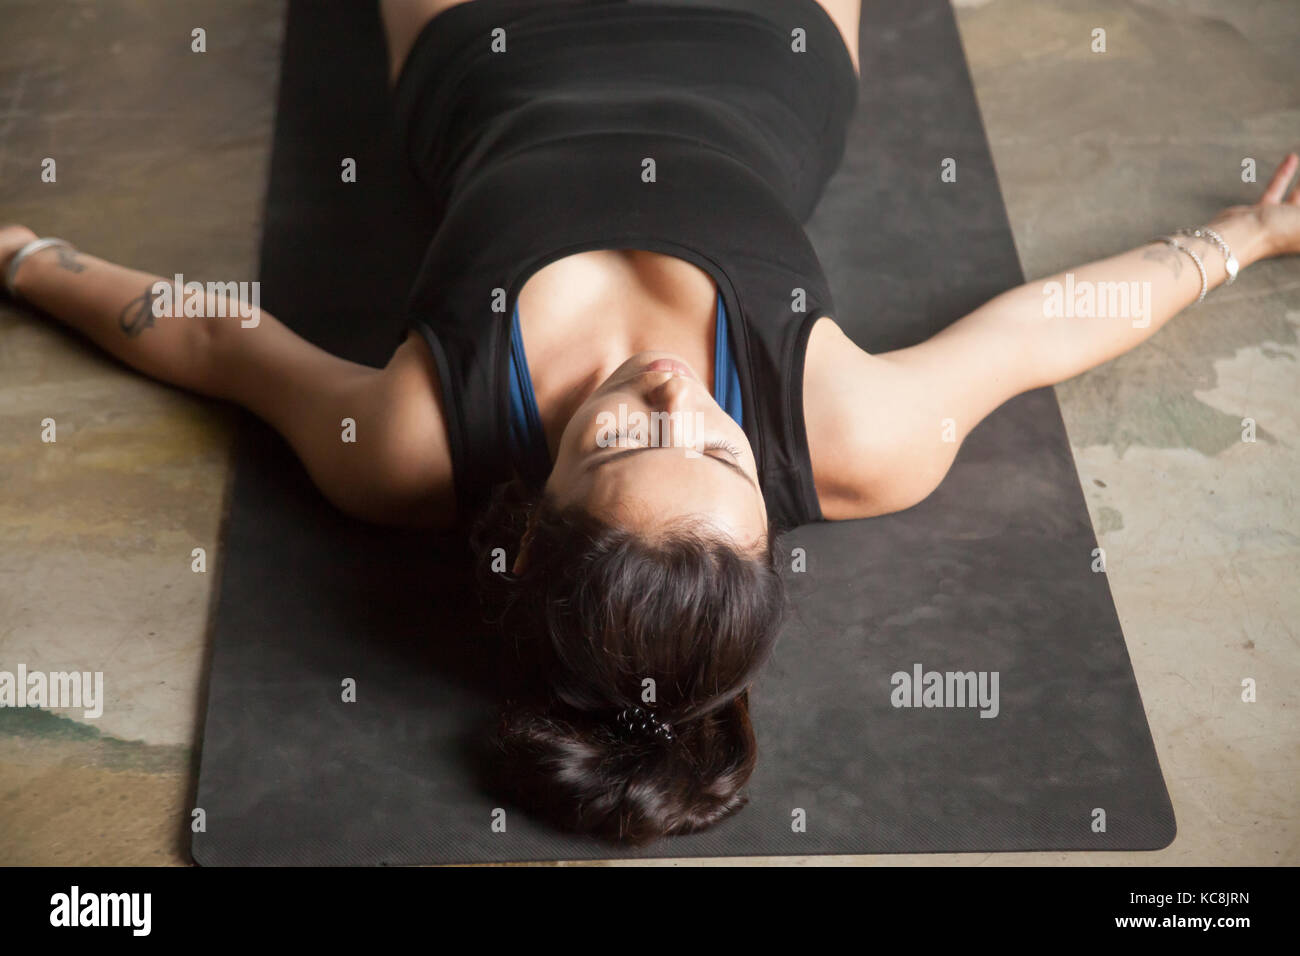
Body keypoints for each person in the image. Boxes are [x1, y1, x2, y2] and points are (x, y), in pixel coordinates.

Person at [3, 0, 1298, 844]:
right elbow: (1041, 329)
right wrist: (1246, 234)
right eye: (722, 447)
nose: (678, 398)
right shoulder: (850, 434)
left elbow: (221, 344)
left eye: (623, 444)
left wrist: (20, 254)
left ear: (536, 507)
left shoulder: (417, 441)